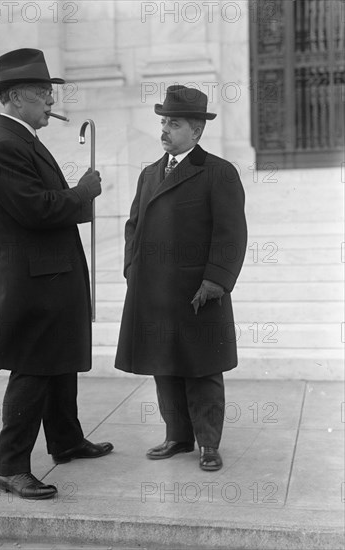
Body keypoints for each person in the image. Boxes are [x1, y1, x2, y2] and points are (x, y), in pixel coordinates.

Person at [0, 48, 113, 500]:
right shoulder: (3, 146)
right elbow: (35, 209)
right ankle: (11, 467)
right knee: (34, 368)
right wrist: (82, 193)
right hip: (30, 279)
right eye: (41, 95)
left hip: (48, 273)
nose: (50, 104)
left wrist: (75, 197)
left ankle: (66, 440)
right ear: (15, 97)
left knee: (59, 360)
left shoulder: (20, 139)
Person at [115, 85, 247, 471]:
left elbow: (231, 234)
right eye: (162, 122)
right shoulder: (150, 174)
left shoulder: (218, 172)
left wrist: (216, 282)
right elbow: (132, 225)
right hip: (154, 291)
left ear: (197, 131)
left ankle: (208, 444)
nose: (164, 129)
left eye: (173, 123)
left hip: (197, 293)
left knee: (203, 369)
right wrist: (132, 269)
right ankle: (177, 436)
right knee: (164, 365)